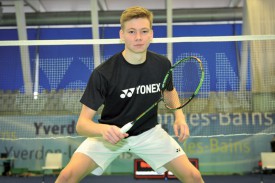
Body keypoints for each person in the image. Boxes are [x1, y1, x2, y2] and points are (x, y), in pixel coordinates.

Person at [56, 6, 204, 183]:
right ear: (122, 35)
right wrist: (103, 130)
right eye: (132, 32)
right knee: (66, 177)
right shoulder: (103, 73)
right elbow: (81, 125)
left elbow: (169, 91)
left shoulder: (162, 64)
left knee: (193, 176)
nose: (138, 37)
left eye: (144, 31)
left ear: (151, 34)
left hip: (149, 133)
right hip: (110, 134)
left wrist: (179, 117)